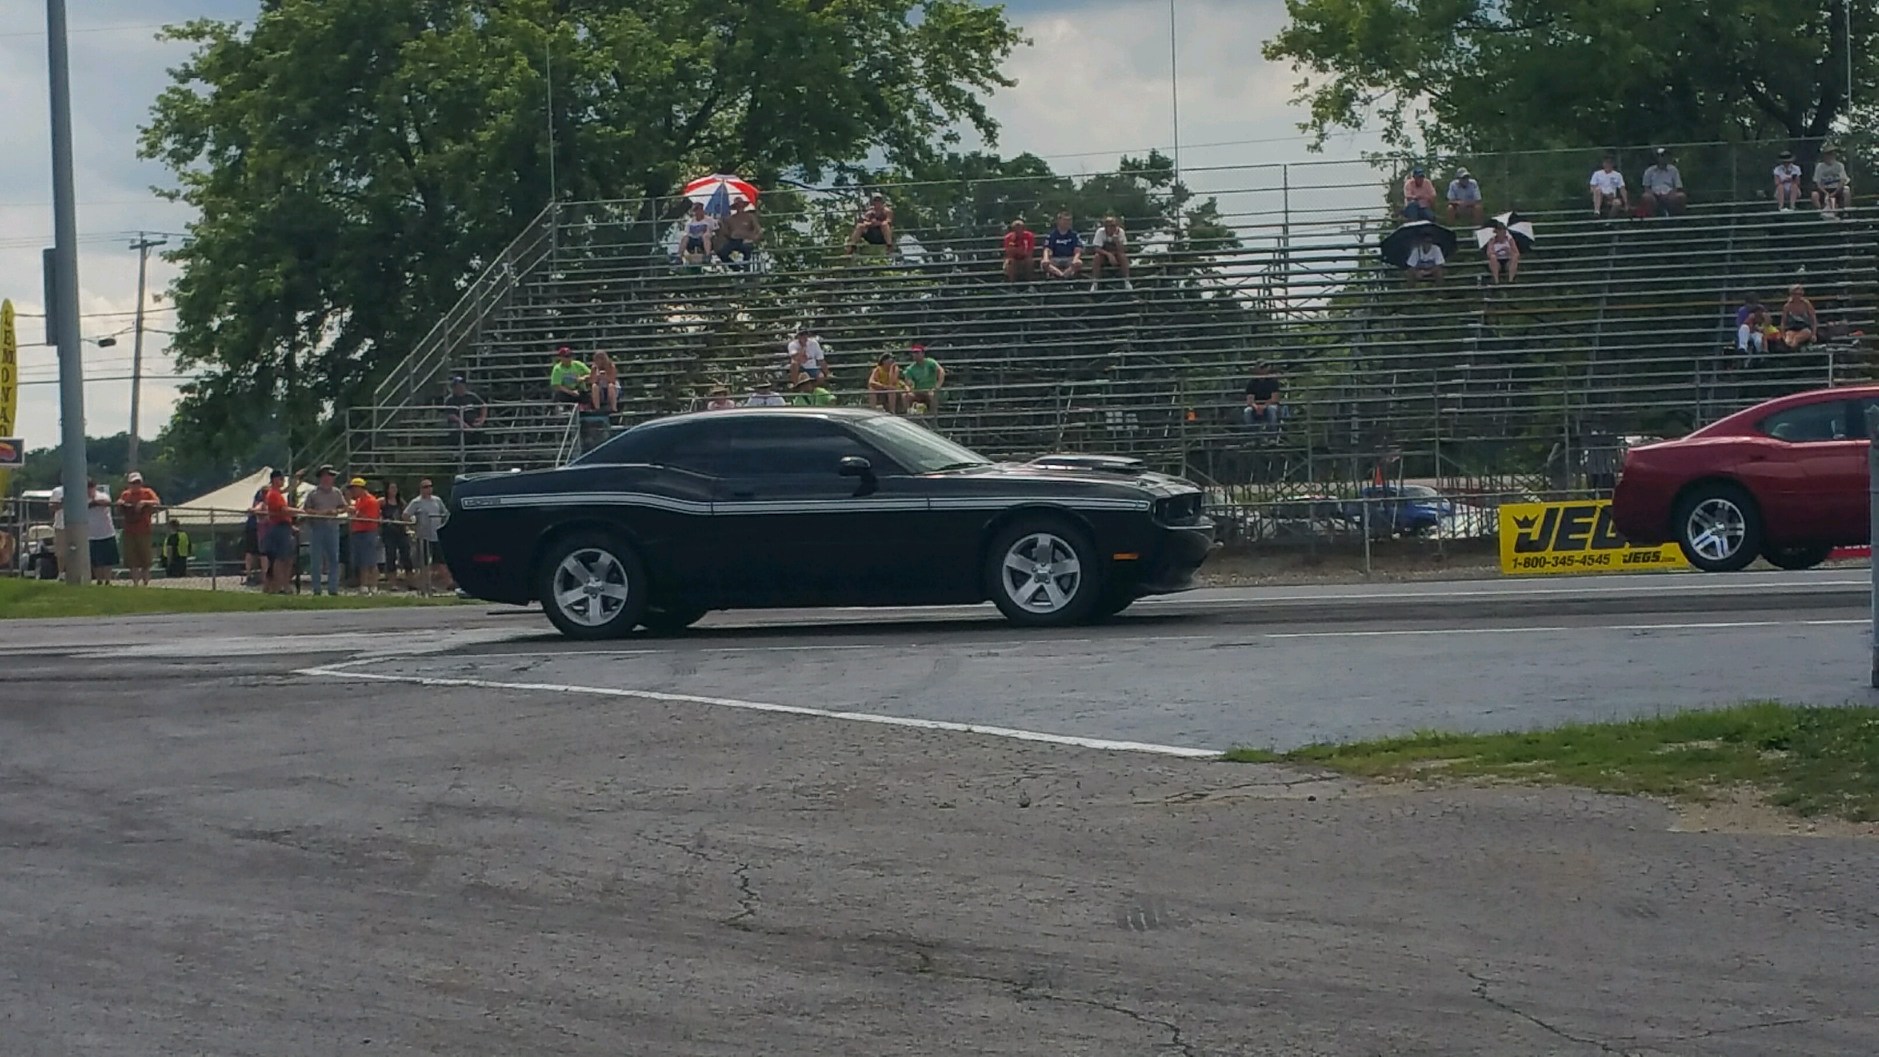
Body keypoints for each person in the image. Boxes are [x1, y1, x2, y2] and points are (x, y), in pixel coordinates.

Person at [301, 465, 348, 595]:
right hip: (317, 527)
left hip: (333, 527)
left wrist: (336, 511)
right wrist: (321, 513)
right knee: (316, 560)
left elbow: (344, 507)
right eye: (328, 475)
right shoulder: (313, 493)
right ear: (322, 477)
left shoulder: (337, 492)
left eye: (332, 476)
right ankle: (317, 589)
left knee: (334, 559)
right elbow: (307, 509)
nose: (330, 478)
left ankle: (333, 589)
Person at [116, 472, 162, 587]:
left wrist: (144, 502)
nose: (135, 485)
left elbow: (157, 502)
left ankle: (146, 583)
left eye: (138, 483)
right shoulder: (125, 495)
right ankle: (135, 583)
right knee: (132, 561)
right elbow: (118, 504)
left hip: (144, 530)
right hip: (129, 531)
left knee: (145, 560)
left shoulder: (147, 492)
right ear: (129, 484)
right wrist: (121, 503)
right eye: (133, 483)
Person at [405, 478, 450, 593]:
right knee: (424, 563)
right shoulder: (416, 502)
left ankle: (449, 584)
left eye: (430, 486)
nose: (428, 488)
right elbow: (406, 515)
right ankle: (424, 585)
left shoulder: (437, 500)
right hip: (423, 537)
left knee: (441, 561)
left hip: (437, 535)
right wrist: (413, 526)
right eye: (425, 487)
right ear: (421, 489)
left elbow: (445, 513)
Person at [257, 469, 297, 595]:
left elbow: (289, 489)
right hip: (280, 527)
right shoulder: (273, 494)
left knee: (286, 558)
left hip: (284, 526)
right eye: (281, 479)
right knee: (281, 558)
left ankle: (279, 585)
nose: (283, 481)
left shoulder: (278, 493)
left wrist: (297, 479)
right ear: (275, 479)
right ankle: (281, 585)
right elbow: (282, 509)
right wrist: (300, 511)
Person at [346, 477, 383, 595]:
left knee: (371, 561)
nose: (352, 491)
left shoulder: (371, 501)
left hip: (368, 533)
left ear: (360, 488)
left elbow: (370, 518)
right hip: (358, 532)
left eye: (354, 488)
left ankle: (373, 585)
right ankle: (363, 585)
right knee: (362, 561)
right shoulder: (359, 500)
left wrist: (355, 513)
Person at [379, 479, 413, 591]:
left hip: (401, 531)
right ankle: (393, 583)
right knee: (391, 556)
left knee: (406, 556)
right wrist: (382, 520)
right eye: (391, 488)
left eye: (395, 488)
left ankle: (410, 581)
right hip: (389, 533)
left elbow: (406, 514)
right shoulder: (382, 502)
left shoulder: (401, 502)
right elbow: (377, 514)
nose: (394, 490)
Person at [85, 478, 117, 585]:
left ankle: (108, 580)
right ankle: (99, 580)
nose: (89, 489)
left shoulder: (102, 495)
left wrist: (94, 502)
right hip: (91, 535)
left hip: (107, 532)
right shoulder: (81, 499)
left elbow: (107, 502)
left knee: (108, 559)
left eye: (91, 486)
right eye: (87, 487)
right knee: (96, 561)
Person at [1090, 215, 1132, 291]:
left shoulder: (1120, 232)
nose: (1112, 228)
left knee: (1123, 256)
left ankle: (1127, 281)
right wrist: (1109, 255)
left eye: (1114, 225)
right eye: (1109, 226)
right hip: (1104, 255)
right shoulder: (1100, 232)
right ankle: (1095, 282)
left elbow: (1123, 249)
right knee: (1096, 257)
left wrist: (1117, 241)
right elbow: (1096, 248)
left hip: (1117, 255)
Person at [717, 197, 762, 267]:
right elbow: (726, 233)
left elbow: (758, 230)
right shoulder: (730, 219)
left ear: (744, 206)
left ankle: (746, 268)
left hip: (746, 240)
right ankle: (735, 267)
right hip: (733, 240)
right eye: (737, 205)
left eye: (741, 205)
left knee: (747, 250)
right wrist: (721, 224)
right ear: (735, 207)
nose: (739, 206)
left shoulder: (750, 216)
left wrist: (754, 238)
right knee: (722, 253)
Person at [1640, 149, 1687, 216]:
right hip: (1654, 195)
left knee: (1681, 196)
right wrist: (1653, 194)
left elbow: (1677, 186)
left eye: (1665, 156)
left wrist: (1670, 194)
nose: (1664, 158)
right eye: (1661, 156)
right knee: (1646, 197)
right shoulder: (1649, 171)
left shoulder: (1673, 170)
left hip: (1670, 195)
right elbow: (1646, 188)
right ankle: (1652, 220)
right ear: (1657, 158)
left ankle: (1677, 219)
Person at [1242, 363, 1282, 436]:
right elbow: (1250, 400)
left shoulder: (1273, 382)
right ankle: (1252, 437)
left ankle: (1272, 437)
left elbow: (1274, 399)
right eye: (1261, 368)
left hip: (1269, 405)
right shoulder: (1251, 383)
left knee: (1271, 410)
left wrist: (1264, 406)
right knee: (1247, 411)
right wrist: (1256, 407)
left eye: (1265, 367)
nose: (1263, 369)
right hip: (1256, 406)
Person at [902, 344, 945, 413]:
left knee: (932, 395)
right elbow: (908, 382)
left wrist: (937, 386)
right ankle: (909, 415)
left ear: (923, 353)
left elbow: (941, 372)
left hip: (931, 389)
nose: (915, 355)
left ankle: (933, 416)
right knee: (905, 396)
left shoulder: (930, 362)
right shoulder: (910, 368)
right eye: (914, 353)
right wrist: (908, 389)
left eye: (917, 352)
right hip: (918, 391)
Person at [1813, 145, 1851, 218]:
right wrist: (1826, 193)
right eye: (1828, 154)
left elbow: (1842, 180)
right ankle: (1821, 213)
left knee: (1847, 191)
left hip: (1837, 188)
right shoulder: (1819, 167)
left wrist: (1835, 192)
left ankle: (1846, 213)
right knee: (1814, 195)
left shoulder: (1840, 165)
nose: (1830, 156)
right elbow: (1817, 182)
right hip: (1824, 189)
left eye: (1832, 154)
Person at [1042, 212, 1082, 280]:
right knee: (1044, 263)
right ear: (1059, 221)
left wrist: (1075, 259)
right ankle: (1061, 275)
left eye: (1069, 220)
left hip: (1070, 258)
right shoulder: (1052, 235)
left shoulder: (1074, 235)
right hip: (1055, 258)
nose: (1068, 222)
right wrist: (1046, 258)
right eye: (1065, 220)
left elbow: (1078, 250)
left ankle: (1064, 275)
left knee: (1078, 263)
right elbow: (1047, 249)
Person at [1483, 219, 1520, 284]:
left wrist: (1509, 251)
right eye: (1500, 230)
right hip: (1497, 261)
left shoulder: (1509, 239)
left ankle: (1510, 280)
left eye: (1503, 230)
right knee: (1493, 257)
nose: (1502, 232)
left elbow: (1517, 253)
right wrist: (1497, 252)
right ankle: (1496, 280)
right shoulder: (1492, 240)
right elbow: (1488, 253)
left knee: (1515, 257)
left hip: (1507, 260)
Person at [1001, 218, 1036, 283]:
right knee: (1010, 262)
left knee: (1029, 261)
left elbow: (1029, 252)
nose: (1018, 231)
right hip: (1013, 258)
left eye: (1020, 228)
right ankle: (1012, 284)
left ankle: (1029, 283)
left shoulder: (1029, 236)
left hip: (1025, 258)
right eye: (1016, 229)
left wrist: (1017, 250)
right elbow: (1008, 253)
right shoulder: (1008, 238)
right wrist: (1019, 250)